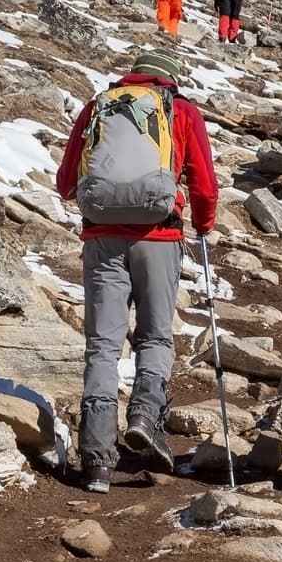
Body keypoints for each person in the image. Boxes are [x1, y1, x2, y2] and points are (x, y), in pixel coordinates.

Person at [55, 49, 217, 493]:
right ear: (169, 79)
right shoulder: (179, 110)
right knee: (154, 336)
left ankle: (96, 460)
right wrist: (204, 222)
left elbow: (66, 183)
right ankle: (146, 416)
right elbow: (202, 180)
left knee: (103, 346)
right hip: (160, 237)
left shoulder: (98, 108)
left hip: (102, 237)